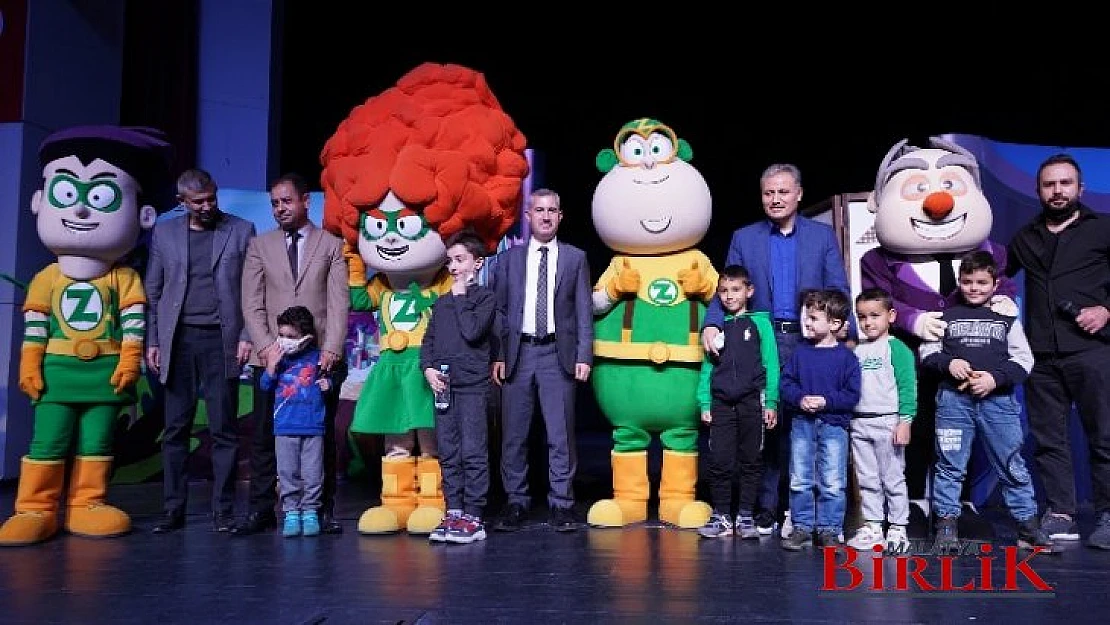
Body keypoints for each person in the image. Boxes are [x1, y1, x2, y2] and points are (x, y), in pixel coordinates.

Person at [0, 125, 172, 546]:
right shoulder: (47, 278)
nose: (79, 210)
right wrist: (29, 364)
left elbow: (133, 324)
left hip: (105, 373)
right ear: (40, 201)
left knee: (97, 439)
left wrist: (131, 360)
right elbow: (36, 329)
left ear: (143, 215)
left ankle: (86, 503)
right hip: (57, 373)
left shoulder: (124, 277)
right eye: (66, 194)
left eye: (100, 197)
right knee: (49, 439)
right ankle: (36, 508)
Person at [701, 164, 852, 537]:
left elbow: (838, 289)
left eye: (783, 192)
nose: (776, 199)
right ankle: (766, 508)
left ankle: (806, 513)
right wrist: (710, 323)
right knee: (764, 425)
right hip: (761, 341)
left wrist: (844, 326)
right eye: (769, 193)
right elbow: (727, 287)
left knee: (807, 424)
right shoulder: (744, 237)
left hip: (809, 343)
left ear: (799, 194)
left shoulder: (821, 236)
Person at [234, 172, 348, 536]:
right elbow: (251, 304)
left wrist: (331, 347)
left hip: (319, 360)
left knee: (321, 436)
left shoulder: (330, 245)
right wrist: (268, 348)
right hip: (272, 360)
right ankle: (262, 510)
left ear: (305, 201)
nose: (279, 208)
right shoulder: (259, 246)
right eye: (274, 203)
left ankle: (323, 509)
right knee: (265, 436)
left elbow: (338, 302)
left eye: (286, 201)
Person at [1006, 153, 1110, 549]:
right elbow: (996, 279)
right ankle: (1061, 513)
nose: (1058, 191)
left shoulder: (1102, 230)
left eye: (1065, 183)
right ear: (1039, 191)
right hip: (1042, 357)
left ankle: (1108, 515)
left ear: (1080, 188)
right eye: (1050, 184)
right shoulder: (1025, 237)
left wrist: (1106, 310)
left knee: (1105, 437)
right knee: (1050, 440)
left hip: (1094, 351)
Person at [146, 168, 255, 533]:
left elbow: (251, 291)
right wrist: (154, 341)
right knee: (176, 428)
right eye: (199, 202)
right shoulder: (164, 232)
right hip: (178, 340)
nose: (208, 206)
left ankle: (222, 510)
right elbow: (154, 292)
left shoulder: (240, 230)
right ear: (182, 203)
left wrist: (247, 336)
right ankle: (173, 510)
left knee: (224, 428)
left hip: (220, 340)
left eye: (212, 198)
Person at [921, 251, 1052, 552]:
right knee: (949, 465)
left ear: (995, 284)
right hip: (954, 402)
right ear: (959, 282)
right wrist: (948, 364)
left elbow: (1023, 359)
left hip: (999, 404)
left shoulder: (1006, 318)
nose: (974, 288)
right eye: (968, 282)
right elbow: (928, 353)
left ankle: (1026, 525)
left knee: (1011, 463)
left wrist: (995, 378)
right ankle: (946, 524)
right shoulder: (945, 317)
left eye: (982, 282)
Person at [491, 188, 593, 533]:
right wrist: (499, 355)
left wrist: (584, 355)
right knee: (514, 435)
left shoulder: (575, 258)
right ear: (528, 215)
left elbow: (583, 312)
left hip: (557, 354)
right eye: (539, 210)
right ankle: (516, 501)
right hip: (518, 354)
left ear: (560, 217)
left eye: (552, 210)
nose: (546, 216)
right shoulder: (508, 261)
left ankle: (562, 504)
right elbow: (500, 311)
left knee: (560, 435)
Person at [421, 231, 497, 544]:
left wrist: (463, 295)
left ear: (477, 263)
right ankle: (454, 510)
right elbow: (429, 342)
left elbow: (473, 332)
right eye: (450, 261)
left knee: (473, 452)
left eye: (460, 260)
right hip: (445, 388)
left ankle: (474, 517)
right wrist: (427, 369)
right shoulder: (442, 304)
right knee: (449, 452)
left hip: (473, 388)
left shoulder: (484, 299)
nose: (453, 267)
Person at [695, 265, 779, 539]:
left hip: (752, 401)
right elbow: (707, 369)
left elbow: (771, 364)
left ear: (749, 291)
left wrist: (772, 402)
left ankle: (745, 515)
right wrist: (704, 403)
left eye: (736, 289)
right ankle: (721, 515)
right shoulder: (715, 329)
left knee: (751, 459)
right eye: (723, 291)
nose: (729, 296)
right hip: (720, 403)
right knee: (719, 460)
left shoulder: (760, 324)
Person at [779, 289, 861, 551]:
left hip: (834, 425)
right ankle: (802, 527)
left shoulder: (847, 357)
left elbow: (852, 394)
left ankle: (829, 530)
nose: (807, 322)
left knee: (833, 481)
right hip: (802, 424)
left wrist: (826, 401)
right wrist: (800, 398)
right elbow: (786, 383)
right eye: (807, 317)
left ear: (834, 324)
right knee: (800, 477)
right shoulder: (801, 353)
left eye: (813, 318)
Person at [847, 288, 916, 552]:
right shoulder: (857, 351)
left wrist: (905, 421)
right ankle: (874, 526)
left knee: (892, 477)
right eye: (862, 317)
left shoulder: (897, 349)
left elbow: (908, 387)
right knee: (867, 478)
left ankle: (898, 527)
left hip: (888, 423)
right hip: (860, 422)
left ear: (891, 316)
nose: (868, 322)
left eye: (875, 315)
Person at [258, 306, 334, 538]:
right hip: (284, 427)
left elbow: (329, 381)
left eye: (290, 337)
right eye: (281, 335)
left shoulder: (317, 358)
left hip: (312, 427)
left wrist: (327, 385)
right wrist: (271, 366)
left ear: (305, 337)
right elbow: (264, 386)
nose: (285, 341)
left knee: (312, 473)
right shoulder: (278, 359)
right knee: (287, 472)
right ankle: (291, 512)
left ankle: (310, 511)